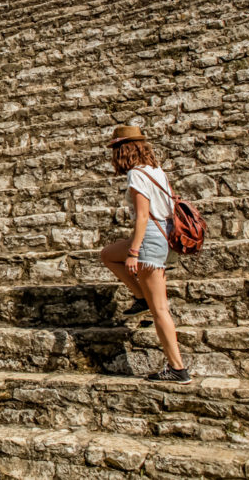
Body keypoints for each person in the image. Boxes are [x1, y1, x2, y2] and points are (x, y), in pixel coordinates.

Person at [98, 125, 191, 383]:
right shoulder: (156, 171)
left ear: (123, 151)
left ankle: (177, 368)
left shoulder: (137, 175)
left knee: (160, 309)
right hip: (167, 235)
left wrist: (134, 251)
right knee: (107, 254)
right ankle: (140, 296)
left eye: (116, 150)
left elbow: (142, 216)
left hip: (151, 238)